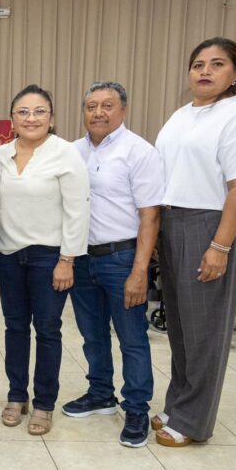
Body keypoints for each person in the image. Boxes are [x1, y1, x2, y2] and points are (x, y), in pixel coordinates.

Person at [153, 37, 236, 447]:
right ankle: (177, 404)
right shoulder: (182, 114)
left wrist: (220, 246)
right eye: (198, 64)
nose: (205, 71)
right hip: (172, 221)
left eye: (217, 64)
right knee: (181, 326)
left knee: (204, 329)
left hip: (207, 224)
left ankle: (193, 421)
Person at [61, 81, 164, 448]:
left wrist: (139, 271)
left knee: (132, 338)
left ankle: (136, 408)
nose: (98, 112)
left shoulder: (139, 151)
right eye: (91, 106)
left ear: (123, 110)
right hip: (82, 258)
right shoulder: (73, 152)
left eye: (107, 105)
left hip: (122, 259)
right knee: (92, 334)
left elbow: (150, 216)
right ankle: (100, 393)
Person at [0, 85, 90, 436]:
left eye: (39, 111)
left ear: (51, 117)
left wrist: (67, 259)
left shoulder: (65, 153)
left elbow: (78, 209)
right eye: (23, 111)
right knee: (15, 327)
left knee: (48, 329)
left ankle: (45, 402)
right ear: (12, 118)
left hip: (49, 256)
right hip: (7, 255)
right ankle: (16, 395)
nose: (31, 118)